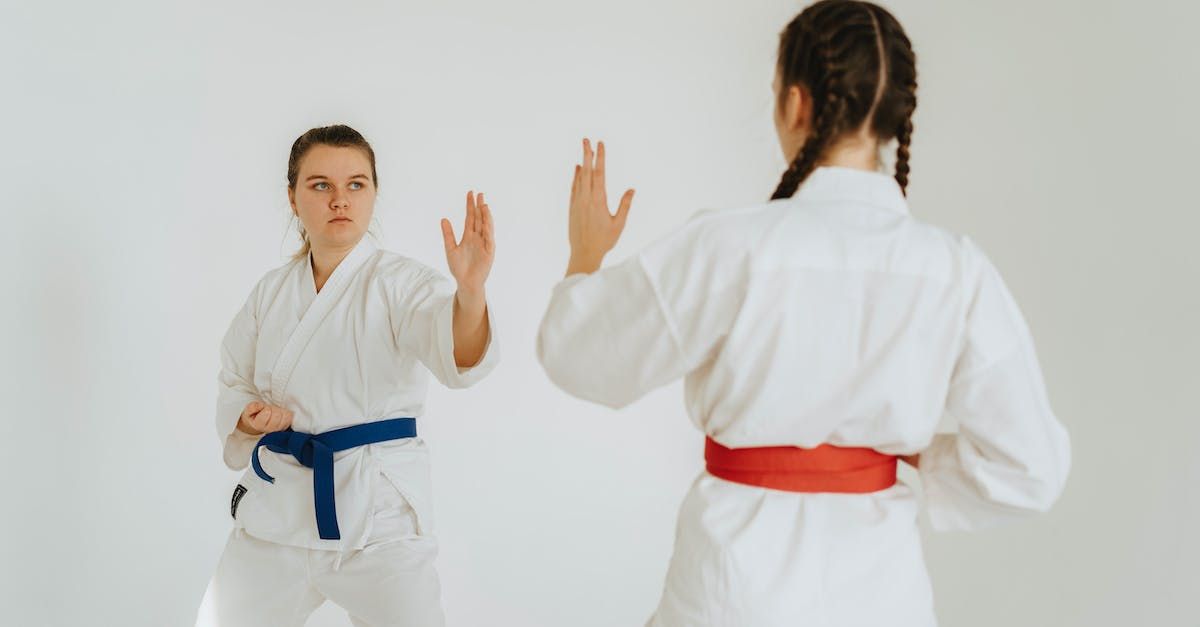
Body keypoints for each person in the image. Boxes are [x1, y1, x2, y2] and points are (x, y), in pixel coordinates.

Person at [536, 2, 1070, 625]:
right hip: (883, 596)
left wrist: (584, 258)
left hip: (732, 591)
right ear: (897, 114)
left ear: (795, 104)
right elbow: (1030, 468)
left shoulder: (733, 245)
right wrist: (906, 453)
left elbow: (579, 355)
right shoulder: (954, 268)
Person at [196, 124, 499, 627]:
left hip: (377, 511)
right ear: (293, 198)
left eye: (356, 184)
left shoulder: (403, 284)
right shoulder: (269, 294)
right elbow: (235, 379)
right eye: (321, 185)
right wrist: (250, 419)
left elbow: (456, 353)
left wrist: (470, 293)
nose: (340, 200)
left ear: (374, 193)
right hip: (279, 510)